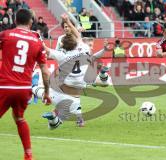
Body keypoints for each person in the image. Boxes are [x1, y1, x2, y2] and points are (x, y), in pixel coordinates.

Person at [32, 14, 109, 129]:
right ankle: (73, 119)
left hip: (67, 83)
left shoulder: (62, 55)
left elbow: (46, 50)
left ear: (64, 46)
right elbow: (78, 36)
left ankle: (34, 89)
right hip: (82, 80)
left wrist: (38, 39)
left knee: (51, 95)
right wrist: (68, 20)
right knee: (100, 85)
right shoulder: (84, 48)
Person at [0, 9, 51, 160]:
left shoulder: (6, 35)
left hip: (5, 86)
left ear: (15, 21)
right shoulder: (36, 40)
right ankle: (28, 155)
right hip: (23, 89)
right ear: (30, 22)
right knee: (19, 118)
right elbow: (45, 71)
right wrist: (46, 93)